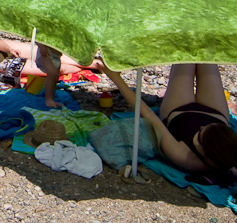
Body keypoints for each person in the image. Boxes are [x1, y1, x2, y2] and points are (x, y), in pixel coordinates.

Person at [0, 11, 98, 108]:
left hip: (4, 50)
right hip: (0, 66)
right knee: (53, 68)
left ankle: (91, 61)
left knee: (46, 51)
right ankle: (93, 65)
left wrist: (9, 49)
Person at [102, 63, 237, 174]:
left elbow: (147, 114)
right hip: (215, 114)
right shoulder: (228, 154)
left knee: (184, 55)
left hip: (180, 111)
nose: (201, 126)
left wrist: (116, 79)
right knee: (206, 54)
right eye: (206, 127)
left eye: (200, 134)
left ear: (204, 152)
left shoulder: (183, 156)